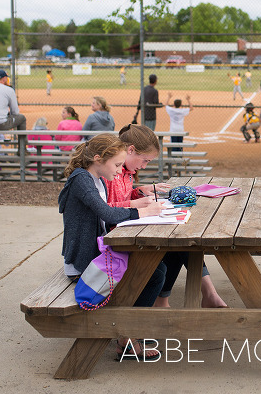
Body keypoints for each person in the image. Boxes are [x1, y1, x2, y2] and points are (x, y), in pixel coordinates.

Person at [58, 133, 164, 360]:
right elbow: (106, 212)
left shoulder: (93, 179)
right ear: (98, 158)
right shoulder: (81, 180)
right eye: (116, 164)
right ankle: (127, 338)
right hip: (83, 263)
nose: (119, 170)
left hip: (94, 254)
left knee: (156, 269)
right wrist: (141, 212)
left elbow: (106, 216)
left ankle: (128, 333)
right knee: (153, 273)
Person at [104, 124, 227, 309]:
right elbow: (106, 210)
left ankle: (184, 297)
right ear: (130, 150)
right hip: (117, 238)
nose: (144, 166)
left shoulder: (127, 173)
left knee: (179, 238)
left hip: (127, 228)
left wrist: (138, 193)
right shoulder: (112, 172)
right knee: (175, 244)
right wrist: (134, 204)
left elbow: (122, 197)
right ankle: (201, 295)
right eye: (145, 160)